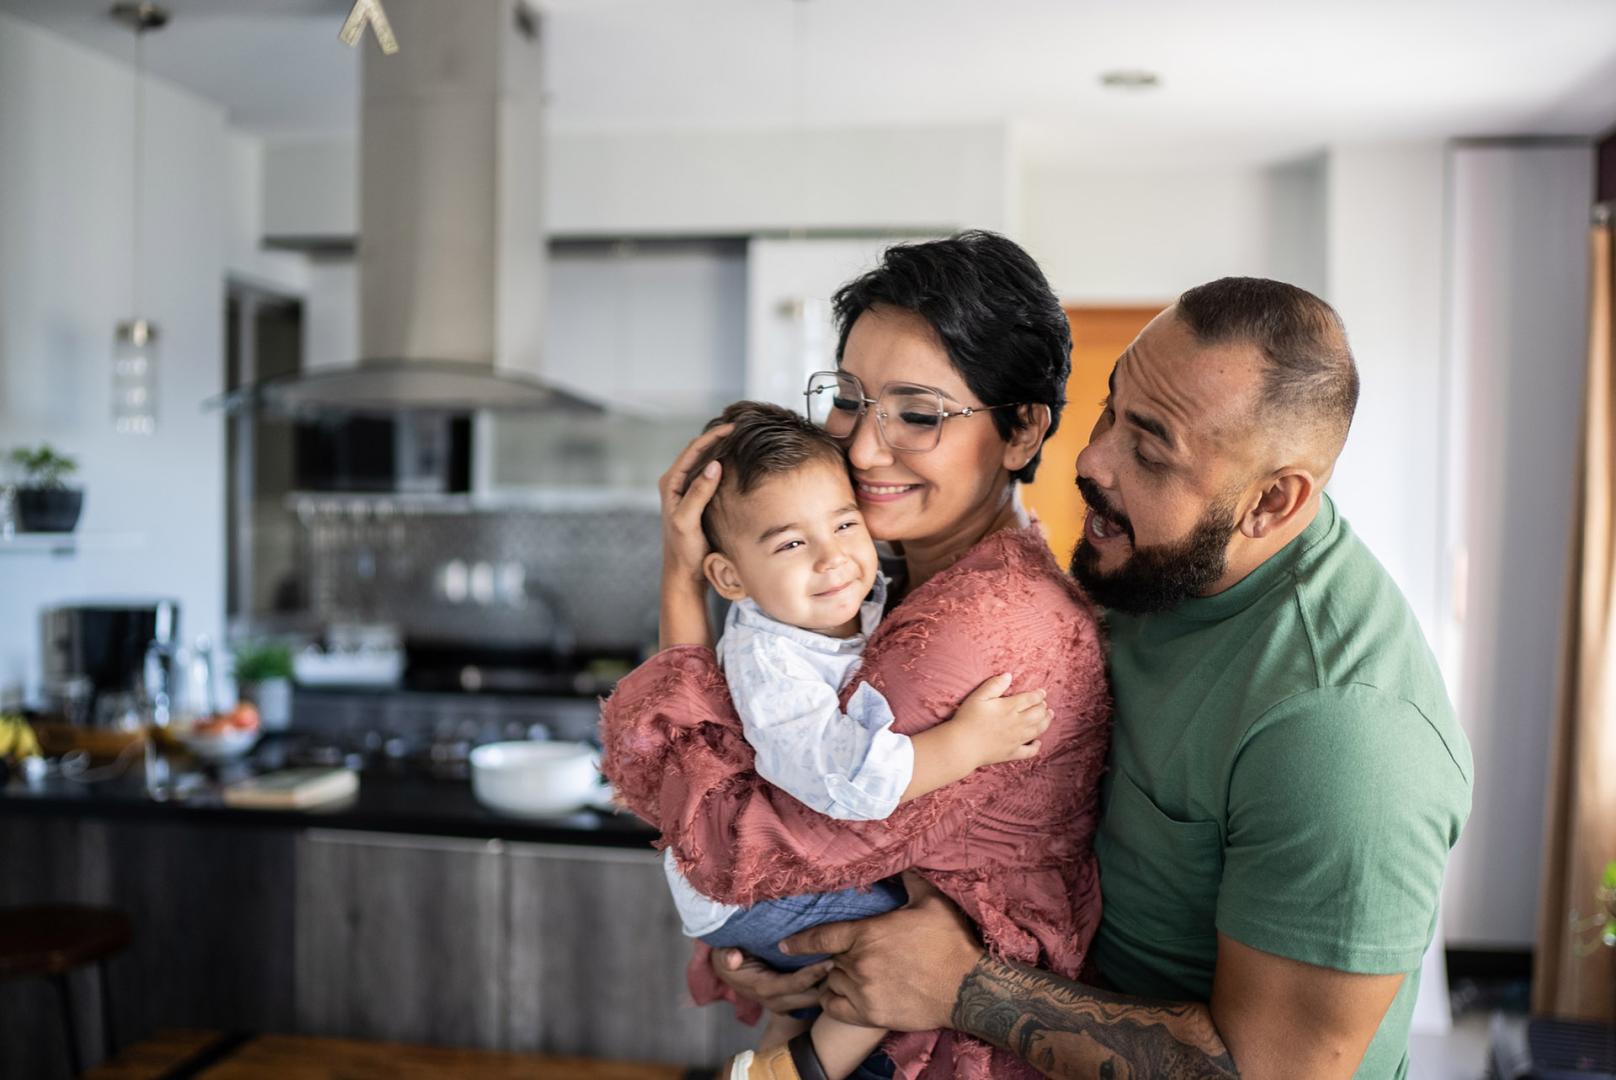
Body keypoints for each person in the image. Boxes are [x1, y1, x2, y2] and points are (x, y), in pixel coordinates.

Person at [770, 278, 1475, 1080]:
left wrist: (960, 987)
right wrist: (816, 953)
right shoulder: (1152, 568)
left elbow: (1271, 1071)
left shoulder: (1345, 735)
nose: (1091, 458)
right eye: (1109, 409)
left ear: (1272, 503)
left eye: (1148, 447)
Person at [600, 231, 1113, 1080]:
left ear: (1021, 430)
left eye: (917, 413)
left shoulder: (973, 631)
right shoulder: (887, 581)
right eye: (848, 399)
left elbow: (732, 850)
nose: (863, 449)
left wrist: (681, 582)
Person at [658, 399, 1056, 1077]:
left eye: (845, 523)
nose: (833, 558)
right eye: (790, 543)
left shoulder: (845, 604)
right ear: (729, 578)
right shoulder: (769, 662)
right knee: (907, 933)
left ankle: (777, 1043)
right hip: (755, 890)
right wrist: (968, 743)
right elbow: (847, 781)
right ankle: (798, 1069)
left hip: (760, 879)